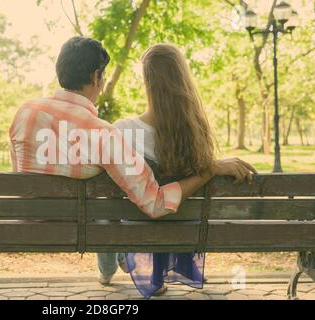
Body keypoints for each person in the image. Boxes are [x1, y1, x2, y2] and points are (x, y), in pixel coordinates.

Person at [8, 36, 256, 293]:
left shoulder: (25, 113)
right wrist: (210, 169)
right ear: (96, 77)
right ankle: (125, 260)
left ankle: (114, 263)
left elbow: (19, 177)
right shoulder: (104, 134)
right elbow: (155, 203)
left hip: (32, 224)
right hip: (87, 230)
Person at [100, 43, 257, 298]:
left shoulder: (123, 131)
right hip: (185, 232)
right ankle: (156, 271)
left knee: (110, 205)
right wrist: (213, 167)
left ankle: (114, 267)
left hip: (136, 231)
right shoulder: (197, 133)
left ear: (147, 83)